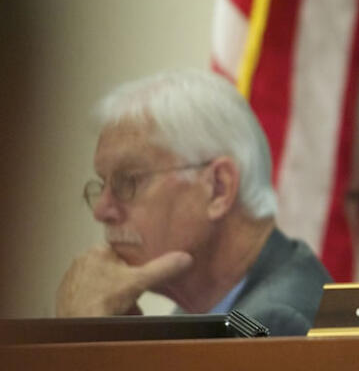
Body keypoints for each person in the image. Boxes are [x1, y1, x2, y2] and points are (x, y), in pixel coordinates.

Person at [56, 69, 331, 334]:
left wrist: (79, 338)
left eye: (128, 181)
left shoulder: (277, 321)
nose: (102, 211)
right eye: (101, 186)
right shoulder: (210, 306)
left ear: (218, 189)